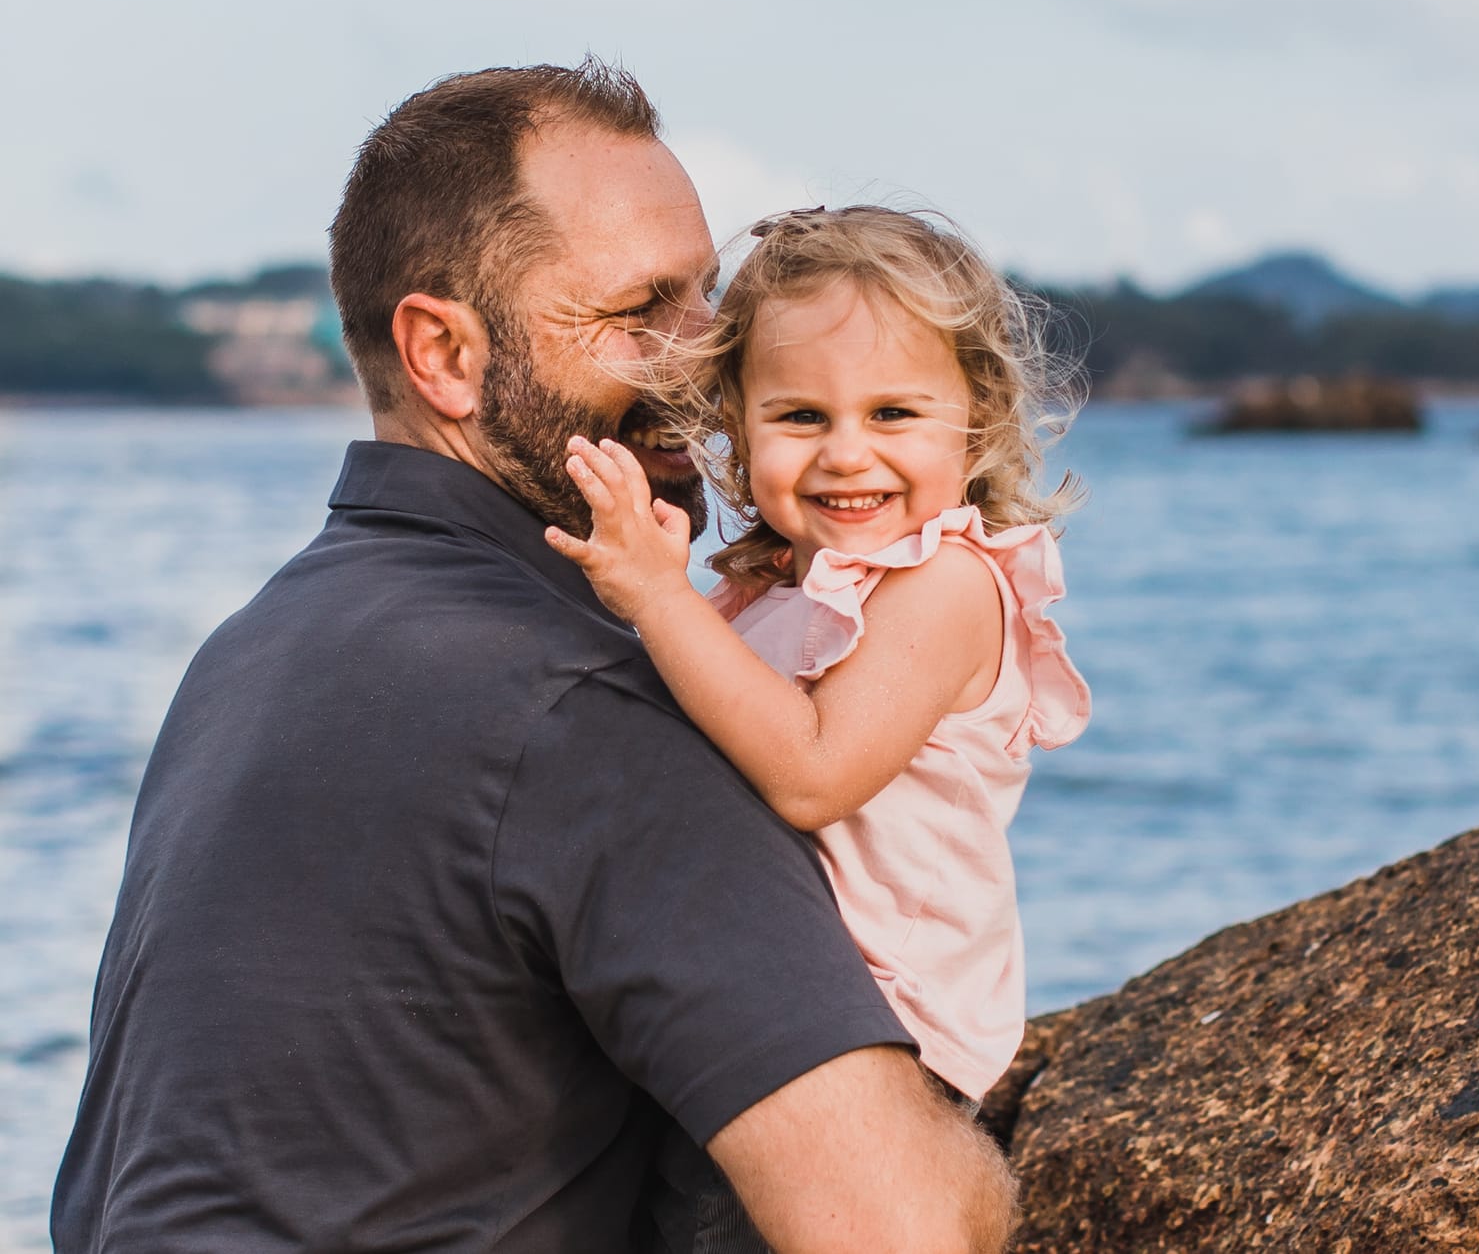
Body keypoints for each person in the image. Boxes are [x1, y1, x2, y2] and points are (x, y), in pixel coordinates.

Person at [52, 64, 1016, 1253]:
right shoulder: (593, 700)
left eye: (706, 295)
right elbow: (895, 1228)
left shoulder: (246, 659)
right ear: (444, 356)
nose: (705, 356)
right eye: (637, 312)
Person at [547, 205, 1090, 1117]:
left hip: (879, 1034)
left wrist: (655, 595)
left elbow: (812, 775)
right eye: (800, 415)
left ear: (975, 418)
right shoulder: (771, 591)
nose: (846, 453)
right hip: (759, 1006)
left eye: (892, 412)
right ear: (738, 425)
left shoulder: (946, 583)